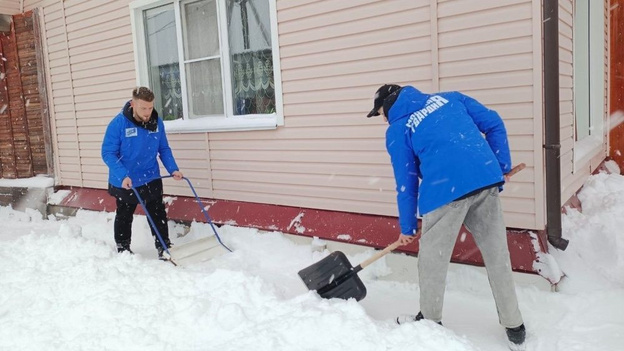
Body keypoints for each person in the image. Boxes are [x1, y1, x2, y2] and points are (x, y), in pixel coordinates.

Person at [367, 84, 526, 350]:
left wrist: (407, 227)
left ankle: (429, 321)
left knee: (432, 263)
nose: (383, 118)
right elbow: (494, 123)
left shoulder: (398, 129)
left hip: (444, 192)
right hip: (485, 181)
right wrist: (500, 167)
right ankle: (515, 326)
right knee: (498, 256)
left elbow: (405, 183)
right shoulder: (451, 98)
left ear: (390, 105)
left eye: (381, 112)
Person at [101, 87, 183, 260]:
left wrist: (173, 169)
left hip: (150, 175)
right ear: (133, 104)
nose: (147, 113)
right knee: (125, 213)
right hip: (126, 178)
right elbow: (108, 153)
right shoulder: (118, 124)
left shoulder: (156, 122)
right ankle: (123, 248)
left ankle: (164, 246)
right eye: (143, 108)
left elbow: (164, 148)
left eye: (150, 108)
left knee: (157, 212)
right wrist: (123, 175)